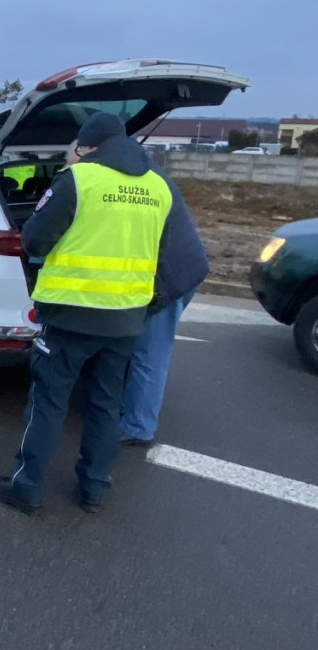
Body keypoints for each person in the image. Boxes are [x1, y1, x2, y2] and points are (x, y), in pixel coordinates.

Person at [0, 112, 173, 515]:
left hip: (71, 315)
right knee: (105, 404)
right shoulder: (159, 187)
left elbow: (35, 239)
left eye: (78, 148)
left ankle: (27, 487)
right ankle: (94, 488)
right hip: (126, 317)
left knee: (48, 402)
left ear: (87, 147)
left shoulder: (79, 180)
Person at [119, 151, 210, 446]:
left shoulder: (132, 186)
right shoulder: (143, 174)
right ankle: (132, 410)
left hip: (171, 277)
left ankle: (138, 427)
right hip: (176, 268)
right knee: (141, 349)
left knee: (149, 353)